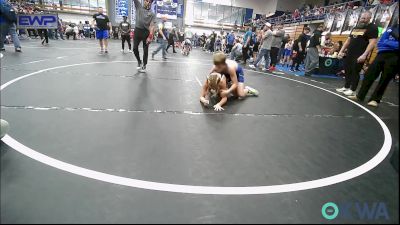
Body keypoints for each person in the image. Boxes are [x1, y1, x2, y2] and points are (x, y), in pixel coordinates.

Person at [348, 21, 398, 107]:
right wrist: (391, 44)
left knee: (385, 78)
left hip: (396, 56)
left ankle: (375, 99)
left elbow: (387, 42)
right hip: (381, 53)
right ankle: (360, 95)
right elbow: (381, 41)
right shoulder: (391, 28)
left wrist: (387, 43)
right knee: (369, 74)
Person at [336, 11, 378, 96]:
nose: (363, 20)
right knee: (347, 70)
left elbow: (372, 42)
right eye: (362, 18)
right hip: (350, 53)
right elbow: (348, 40)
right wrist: (341, 51)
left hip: (360, 53)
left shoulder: (372, 28)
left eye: (365, 18)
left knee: (355, 71)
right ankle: (346, 87)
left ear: (370, 18)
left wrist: (364, 55)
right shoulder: (357, 27)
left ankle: (353, 89)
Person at [132, 0, 156, 73]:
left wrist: (150, 36)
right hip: (137, 31)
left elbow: (152, 26)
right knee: (134, 48)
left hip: (146, 32)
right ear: (144, 1)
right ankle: (139, 61)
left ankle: (144, 65)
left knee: (145, 50)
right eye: (147, 1)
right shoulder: (139, 7)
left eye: (150, 2)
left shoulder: (152, 14)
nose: (148, 3)